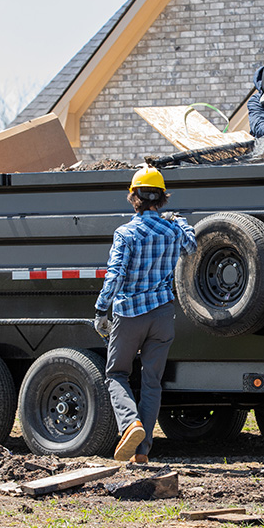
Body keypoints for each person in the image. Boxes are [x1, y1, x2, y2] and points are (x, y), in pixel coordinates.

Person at [94, 166, 196, 463]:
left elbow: (114, 275)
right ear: (162, 199)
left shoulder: (125, 233)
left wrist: (102, 309)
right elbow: (192, 246)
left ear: (133, 197)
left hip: (130, 314)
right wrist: (180, 221)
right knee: (152, 382)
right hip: (162, 315)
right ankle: (142, 450)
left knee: (116, 374)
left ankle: (131, 425)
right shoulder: (173, 230)